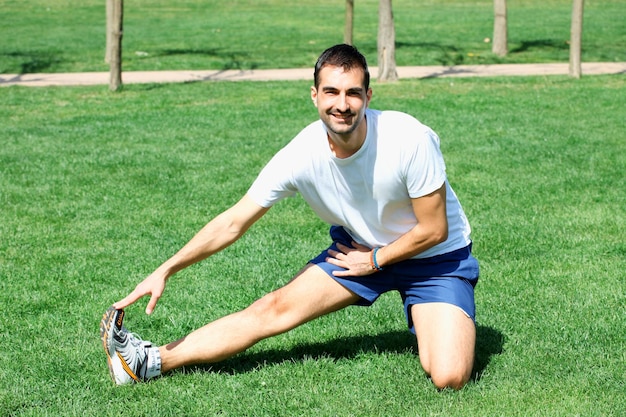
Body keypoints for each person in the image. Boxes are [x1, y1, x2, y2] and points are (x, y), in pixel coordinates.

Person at [100, 44, 479, 390]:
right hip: (358, 251)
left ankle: (432, 314)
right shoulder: (300, 155)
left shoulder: (409, 139)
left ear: (368, 96)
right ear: (315, 95)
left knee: (448, 375)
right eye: (331, 91)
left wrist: (376, 260)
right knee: (273, 308)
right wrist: (167, 268)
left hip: (435, 261)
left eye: (352, 93)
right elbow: (234, 221)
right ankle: (147, 360)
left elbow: (433, 229)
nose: (342, 104)